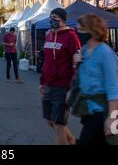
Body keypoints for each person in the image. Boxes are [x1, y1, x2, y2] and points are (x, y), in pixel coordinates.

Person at [73, 14, 118, 145]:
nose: (78, 33)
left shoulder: (105, 52)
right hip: (88, 109)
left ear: (91, 30)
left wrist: (112, 118)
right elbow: (80, 81)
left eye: (80, 30)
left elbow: (113, 87)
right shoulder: (84, 51)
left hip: (101, 110)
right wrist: (76, 65)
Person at [40, 8, 80, 145]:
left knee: (59, 124)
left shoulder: (71, 36)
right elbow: (46, 60)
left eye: (55, 17)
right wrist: (42, 81)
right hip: (48, 85)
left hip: (62, 86)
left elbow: (76, 63)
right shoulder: (49, 35)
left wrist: (72, 88)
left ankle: (68, 140)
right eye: (51, 17)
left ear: (63, 20)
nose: (52, 20)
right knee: (51, 121)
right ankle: (72, 140)